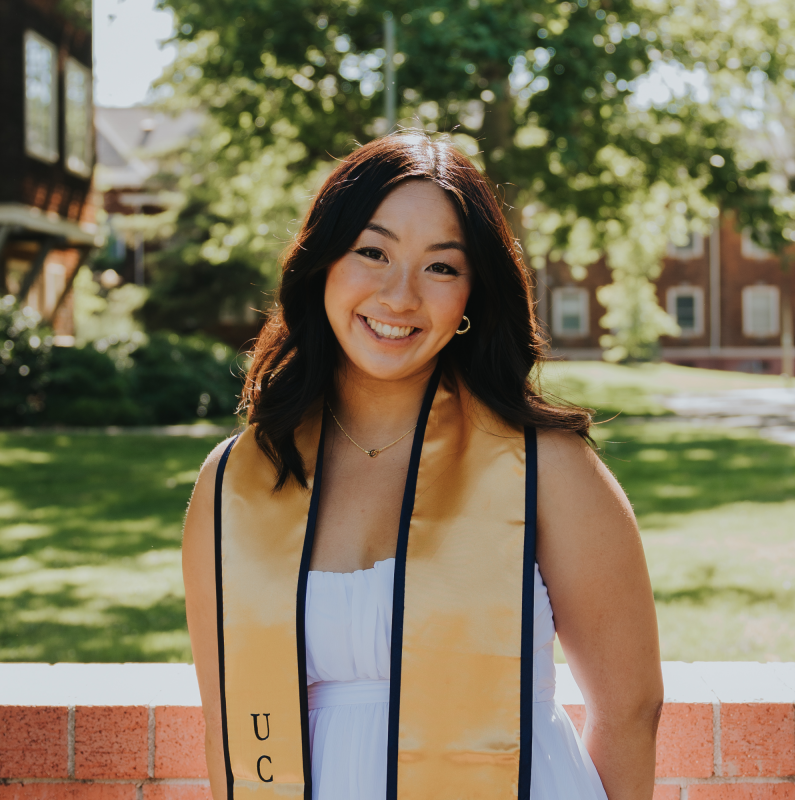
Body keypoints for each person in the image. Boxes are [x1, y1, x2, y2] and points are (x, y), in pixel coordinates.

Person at [183, 133, 663, 800]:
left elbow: (631, 709)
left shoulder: (545, 468)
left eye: (441, 267)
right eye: (372, 252)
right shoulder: (236, 484)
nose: (400, 296)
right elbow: (231, 726)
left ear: (472, 295)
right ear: (323, 263)